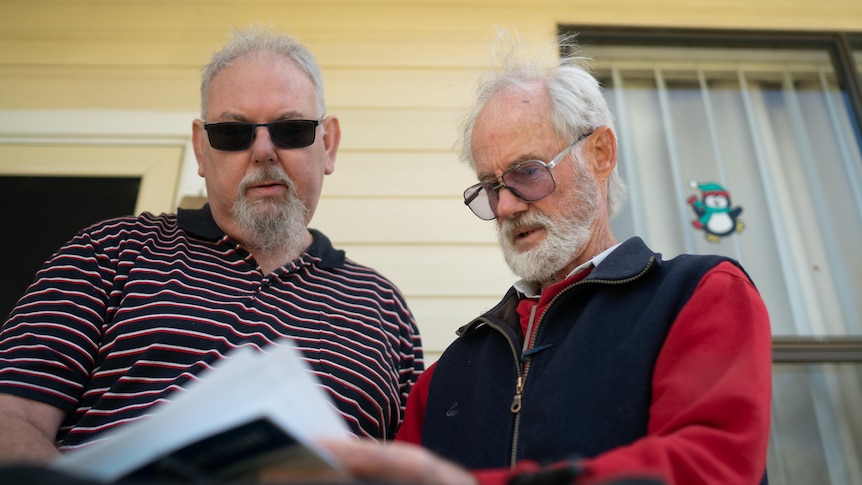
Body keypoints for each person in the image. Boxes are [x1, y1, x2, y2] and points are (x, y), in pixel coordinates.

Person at [322, 34, 772, 485]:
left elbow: (710, 468)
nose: (505, 207)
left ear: (601, 154)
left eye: (527, 173)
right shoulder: (446, 376)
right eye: (492, 187)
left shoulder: (700, 295)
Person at [0, 25, 423, 465]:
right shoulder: (107, 253)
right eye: (233, 134)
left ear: (329, 144)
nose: (263, 151)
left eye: (291, 129)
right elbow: (12, 414)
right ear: (201, 150)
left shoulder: (383, 307)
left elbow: (407, 464)